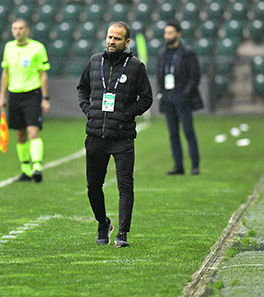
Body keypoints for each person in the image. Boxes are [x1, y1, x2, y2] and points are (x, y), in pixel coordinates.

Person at [77, 21, 153, 248]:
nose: (111, 41)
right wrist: (88, 110)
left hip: (122, 137)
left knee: (125, 186)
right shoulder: (94, 62)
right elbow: (82, 89)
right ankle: (103, 223)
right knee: (93, 187)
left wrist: (126, 114)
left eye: (117, 38)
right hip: (95, 135)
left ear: (127, 42)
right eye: (109, 37)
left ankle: (122, 233)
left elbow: (146, 98)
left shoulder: (136, 67)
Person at [0, 19, 50, 183]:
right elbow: (5, 72)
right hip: (14, 95)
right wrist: (2, 95)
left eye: (21, 28)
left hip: (32, 94)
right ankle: (25, 170)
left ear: (27, 30)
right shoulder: (9, 47)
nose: (17, 31)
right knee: (19, 134)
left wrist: (45, 97)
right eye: (14, 29)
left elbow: (43, 74)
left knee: (33, 131)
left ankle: (37, 167)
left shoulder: (37, 48)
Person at [156, 21, 202, 175]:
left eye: (170, 32)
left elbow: (195, 75)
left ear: (178, 34)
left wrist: (186, 94)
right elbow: (159, 75)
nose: (167, 36)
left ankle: (195, 166)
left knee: (188, 132)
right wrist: (161, 92)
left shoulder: (187, 52)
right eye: (165, 33)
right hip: (168, 97)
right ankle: (178, 166)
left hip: (182, 97)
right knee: (173, 133)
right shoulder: (162, 53)